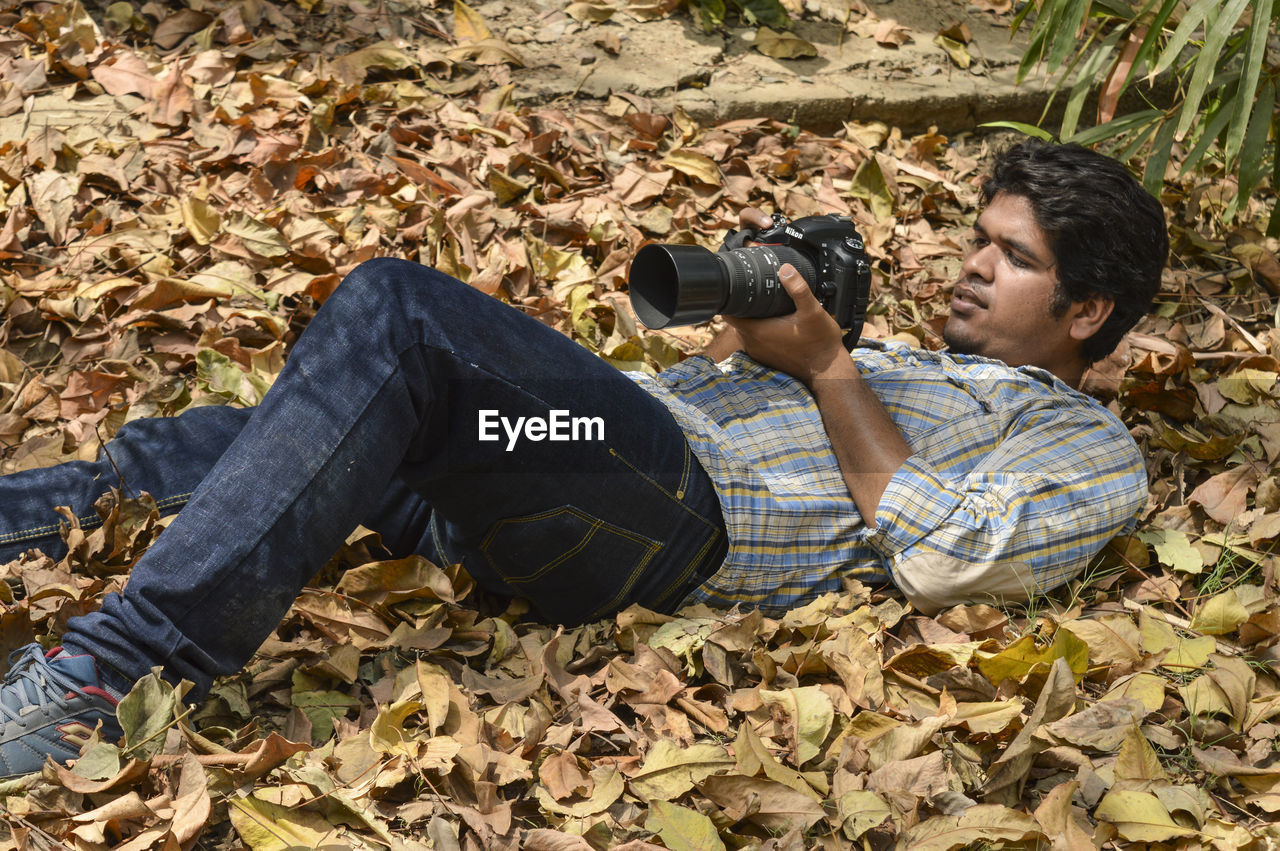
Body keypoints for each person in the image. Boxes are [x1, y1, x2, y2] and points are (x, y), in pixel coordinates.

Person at [0, 140, 1167, 777]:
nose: (968, 264)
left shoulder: (1080, 441)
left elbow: (952, 558)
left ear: (1085, 310)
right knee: (259, 432)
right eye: (974, 237)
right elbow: (713, 385)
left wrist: (826, 369)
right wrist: (761, 320)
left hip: (667, 518)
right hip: (564, 460)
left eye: (1006, 256)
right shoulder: (905, 358)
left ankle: (104, 679)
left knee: (400, 316)